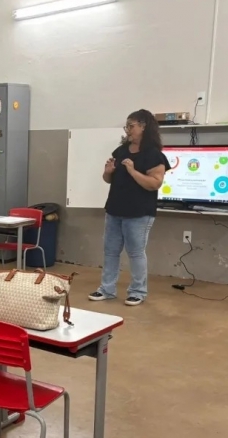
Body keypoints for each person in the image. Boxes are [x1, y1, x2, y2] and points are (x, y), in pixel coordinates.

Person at [89, 109, 170, 306]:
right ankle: (107, 289)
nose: (128, 130)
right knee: (110, 251)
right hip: (114, 209)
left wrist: (133, 171)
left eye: (131, 126)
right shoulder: (121, 151)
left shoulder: (154, 155)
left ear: (144, 126)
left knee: (135, 253)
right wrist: (108, 172)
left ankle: (138, 291)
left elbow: (154, 183)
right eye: (126, 126)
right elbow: (109, 179)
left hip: (139, 213)